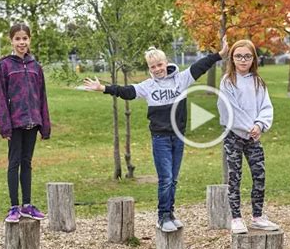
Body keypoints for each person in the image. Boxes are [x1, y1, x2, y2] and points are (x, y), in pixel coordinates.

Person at [83, 36, 229, 232]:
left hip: (178, 137)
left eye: (159, 64)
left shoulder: (182, 79)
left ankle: (170, 213)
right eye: (152, 67)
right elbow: (126, 91)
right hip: (160, 139)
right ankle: (162, 217)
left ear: (166, 62)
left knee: (174, 178)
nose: (157, 69)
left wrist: (219, 55)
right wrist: (103, 88)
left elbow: (200, 66)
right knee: (166, 178)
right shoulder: (148, 86)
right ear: (149, 69)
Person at [217, 39, 278, 234]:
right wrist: (247, 127)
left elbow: (266, 107)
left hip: (254, 137)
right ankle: (236, 218)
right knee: (235, 177)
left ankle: (258, 215)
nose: (243, 60)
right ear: (232, 58)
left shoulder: (258, 82)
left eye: (247, 56)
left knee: (259, 175)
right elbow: (229, 109)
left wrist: (260, 125)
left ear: (253, 59)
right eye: (238, 56)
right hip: (234, 136)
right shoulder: (228, 81)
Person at [0, 23, 50, 223]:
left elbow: (42, 96)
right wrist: (5, 125)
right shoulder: (5, 66)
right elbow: (0, 98)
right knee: (14, 163)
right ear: (11, 41)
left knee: (27, 163)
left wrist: (44, 124)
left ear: (29, 40)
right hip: (14, 123)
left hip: (33, 122)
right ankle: (13, 207)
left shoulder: (36, 67)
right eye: (17, 38)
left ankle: (27, 205)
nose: (21, 42)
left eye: (24, 38)